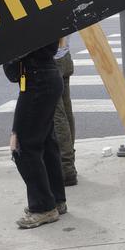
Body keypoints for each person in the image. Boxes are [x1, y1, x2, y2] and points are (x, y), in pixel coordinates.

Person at [7, 41, 66, 229]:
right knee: (46, 142)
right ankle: (55, 200)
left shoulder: (27, 21)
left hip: (37, 79)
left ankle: (43, 207)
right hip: (44, 76)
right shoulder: (41, 16)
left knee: (21, 145)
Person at [53, 35, 77, 186]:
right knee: (65, 113)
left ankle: (66, 168)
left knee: (58, 116)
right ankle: (69, 165)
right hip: (64, 55)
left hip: (52, 59)